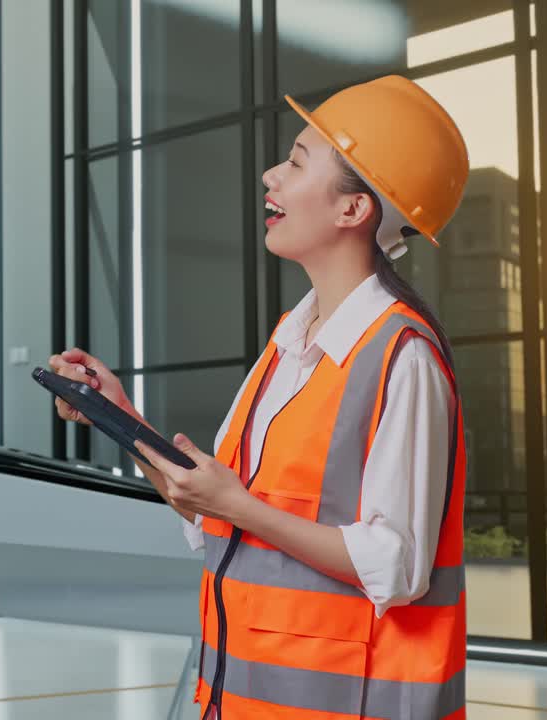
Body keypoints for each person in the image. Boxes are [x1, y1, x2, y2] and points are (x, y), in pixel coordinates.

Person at [49, 75, 469, 720]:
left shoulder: (402, 357)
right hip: (239, 700)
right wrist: (123, 419)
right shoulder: (290, 342)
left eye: (297, 162)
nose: (272, 176)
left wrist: (237, 504)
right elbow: (215, 515)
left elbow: (397, 566)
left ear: (353, 211)